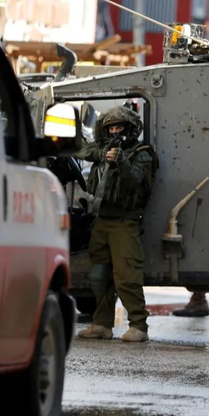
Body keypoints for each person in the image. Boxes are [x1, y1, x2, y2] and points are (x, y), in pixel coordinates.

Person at [77, 106, 159, 343]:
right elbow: (82, 149)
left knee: (126, 276)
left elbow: (136, 182)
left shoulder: (142, 153)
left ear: (130, 129)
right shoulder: (102, 150)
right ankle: (102, 324)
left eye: (119, 127)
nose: (115, 131)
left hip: (124, 222)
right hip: (101, 220)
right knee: (98, 275)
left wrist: (121, 162)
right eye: (111, 127)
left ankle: (138, 325)